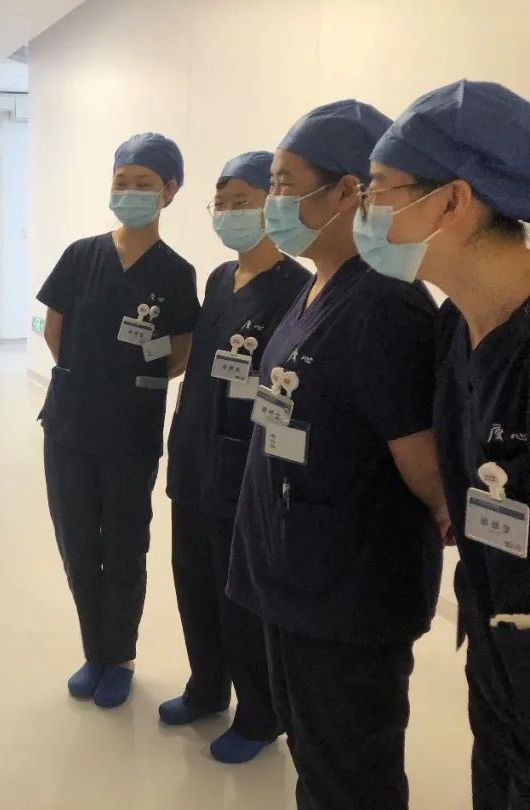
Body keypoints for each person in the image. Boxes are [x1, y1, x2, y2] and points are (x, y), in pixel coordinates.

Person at [225, 101, 449, 809]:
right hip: (292, 572)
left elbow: (426, 471)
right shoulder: (316, 286)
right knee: (315, 762)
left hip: (347, 594)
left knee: (351, 777)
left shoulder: (386, 305)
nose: (274, 202)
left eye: (285, 184)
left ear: (349, 191)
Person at [357, 79, 530, 809]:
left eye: (379, 190)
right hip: (496, 652)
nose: (366, 210)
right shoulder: (455, 328)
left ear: (454, 201)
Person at [38, 133, 199, 709]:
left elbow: (179, 352)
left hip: (132, 431)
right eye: (121, 181)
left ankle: (121, 656)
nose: (129, 192)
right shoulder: (80, 256)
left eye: (144, 183)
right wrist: (91, 381)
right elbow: (55, 330)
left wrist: (123, 385)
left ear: (169, 191)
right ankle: (95, 652)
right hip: (69, 427)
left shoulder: (176, 272)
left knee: (126, 546)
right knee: (79, 544)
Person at [161, 151, 310, 764]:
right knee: (192, 581)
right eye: (219, 203)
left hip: (246, 467)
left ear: (273, 206)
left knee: (240, 596)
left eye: (240, 201)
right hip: (194, 456)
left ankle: (258, 714)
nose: (227, 213)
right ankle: (206, 687)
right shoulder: (220, 278)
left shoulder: (297, 288)